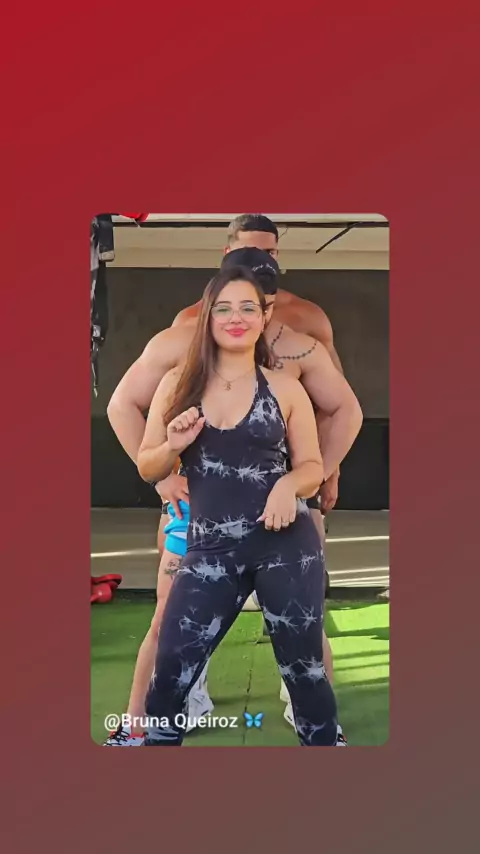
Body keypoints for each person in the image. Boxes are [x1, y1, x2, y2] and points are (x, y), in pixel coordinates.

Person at [105, 248, 362, 747]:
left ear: (264, 316)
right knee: (171, 669)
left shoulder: (285, 387)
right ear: (207, 316)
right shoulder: (177, 386)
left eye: (248, 308)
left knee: (305, 670)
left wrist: (289, 485)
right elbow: (148, 464)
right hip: (210, 550)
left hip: (284, 547)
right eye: (223, 308)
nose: (235, 318)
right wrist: (171, 449)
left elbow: (311, 467)